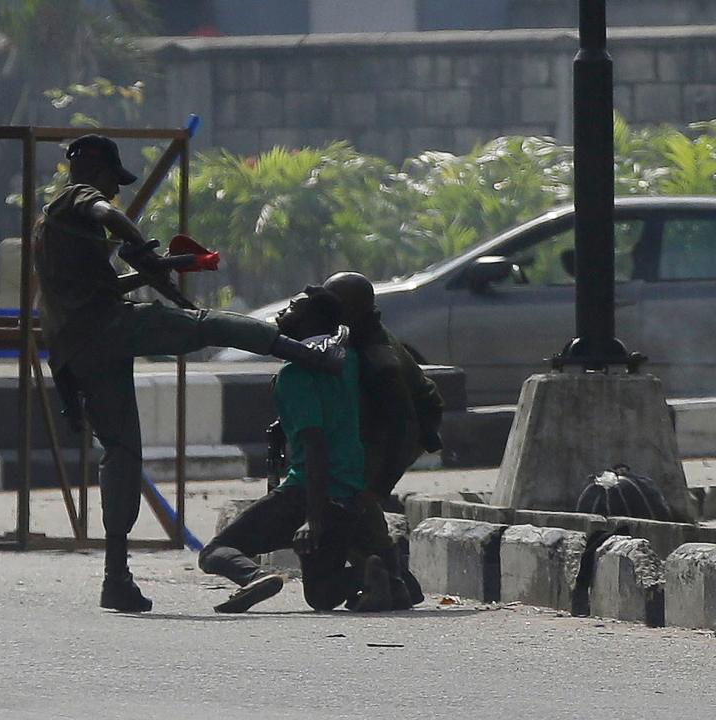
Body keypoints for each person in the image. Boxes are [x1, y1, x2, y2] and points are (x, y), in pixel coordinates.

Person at [34, 135, 347, 613]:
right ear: (95, 173)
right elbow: (109, 216)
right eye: (110, 181)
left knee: (121, 451)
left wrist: (158, 268)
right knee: (210, 325)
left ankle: (115, 577)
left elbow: (95, 284)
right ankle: (311, 356)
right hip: (109, 327)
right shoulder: (78, 198)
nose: (113, 192)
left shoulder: (49, 226)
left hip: (77, 349)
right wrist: (140, 247)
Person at [198, 286, 392, 613]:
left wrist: (312, 519)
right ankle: (368, 575)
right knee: (321, 595)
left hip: (305, 495)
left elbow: (315, 444)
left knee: (216, 551)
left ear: (310, 321)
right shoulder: (351, 363)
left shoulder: (295, 376)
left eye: (291, 309)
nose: (279, 314)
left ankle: (254, 576)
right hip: (347, 497)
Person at [322, 271, 444, 610]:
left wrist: (380, 484)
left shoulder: (379, 357)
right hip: (382, 422)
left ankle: (387, 578)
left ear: (353, 309)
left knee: (354, 494)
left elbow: (404, 426)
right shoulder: (355, 333)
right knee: (355, 493)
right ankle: (398, 580)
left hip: (408, 425)